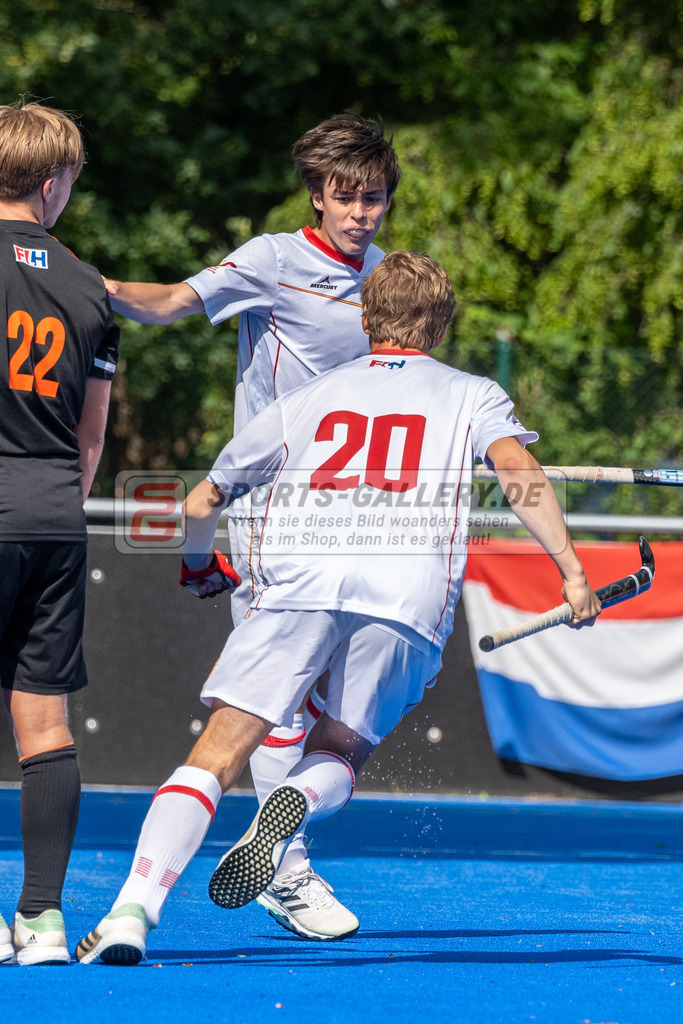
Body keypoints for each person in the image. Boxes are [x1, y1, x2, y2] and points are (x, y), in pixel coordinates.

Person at [74, 251, 600, 965]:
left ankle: (133, 909)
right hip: (403, 596)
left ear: (364, 317)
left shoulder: (307, 399)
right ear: (441, 326)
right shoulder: (472, 394)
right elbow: (518, 477)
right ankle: (293, 804)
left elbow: (204, 499)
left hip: (300, 584)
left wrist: (198, 563)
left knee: (218, 751)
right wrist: (570, 572)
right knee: (339, 750)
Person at [104, 111, 400, 940]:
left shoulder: (384, 279)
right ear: (316, 195)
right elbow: (164, 304)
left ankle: (282, 852)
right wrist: (71, 280)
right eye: (345, 199)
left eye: (373, 199)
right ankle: (288, 868)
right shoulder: (272, 260)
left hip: (360, 522)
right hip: (273, 516)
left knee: (335, 712)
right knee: (273, 699)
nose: (359, 215)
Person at [0, 100, 120, 964]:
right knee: (46, 725)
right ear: (52, 183)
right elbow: (91, 440)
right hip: (52, 516)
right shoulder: (89, 288)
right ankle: (41, 921)